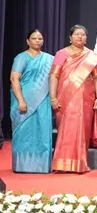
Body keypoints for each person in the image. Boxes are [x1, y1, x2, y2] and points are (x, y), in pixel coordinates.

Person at [50, 24, 97, 173]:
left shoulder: (91, 56)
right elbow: (54, 76)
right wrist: (53, 98)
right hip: (65, 99)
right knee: (66, 130)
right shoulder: (61, 54)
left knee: (82, 131)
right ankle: (62, 164)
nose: (80, 37)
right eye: (77, 34)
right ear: (70, 37)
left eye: (83, 34)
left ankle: (80, 164)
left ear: (86, 38)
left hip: (86, 100)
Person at [9, 29, 54, 173]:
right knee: (24, 132)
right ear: (27, 41)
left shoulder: (49, 59)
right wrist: (21, 100)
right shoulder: (21, 58)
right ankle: (22, 165)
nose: (37, 41)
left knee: (42, 131)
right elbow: (14, 79)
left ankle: (42, 166)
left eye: (40, 38)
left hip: (43, 100)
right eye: (34, 38)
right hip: (23, 100)